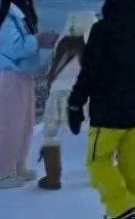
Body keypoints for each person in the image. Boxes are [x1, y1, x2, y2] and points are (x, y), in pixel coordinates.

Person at [67, 0, 135, 219]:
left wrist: (75, 103)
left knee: (97, 161)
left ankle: (121, 209)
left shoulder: (103, 30)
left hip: (107, 113)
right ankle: (133, 211)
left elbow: (90, 71)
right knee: (130, 161)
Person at [0, 0, 58, 189]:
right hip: (7, 74)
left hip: (21, 74)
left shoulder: (13, 12)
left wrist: (42, 40)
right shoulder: (0, 11)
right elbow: (14, 47)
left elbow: (21, 43)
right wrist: (39, 40)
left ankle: (15, 167)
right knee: (5, 124)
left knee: (23, 124)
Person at [38, 10, 96, 190]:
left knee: (51, 134)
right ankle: (101, 171)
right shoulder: (95, 45)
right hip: (84, 94)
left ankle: (52, 177)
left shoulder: (61, 44)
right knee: (99, 130)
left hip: (57, 92)